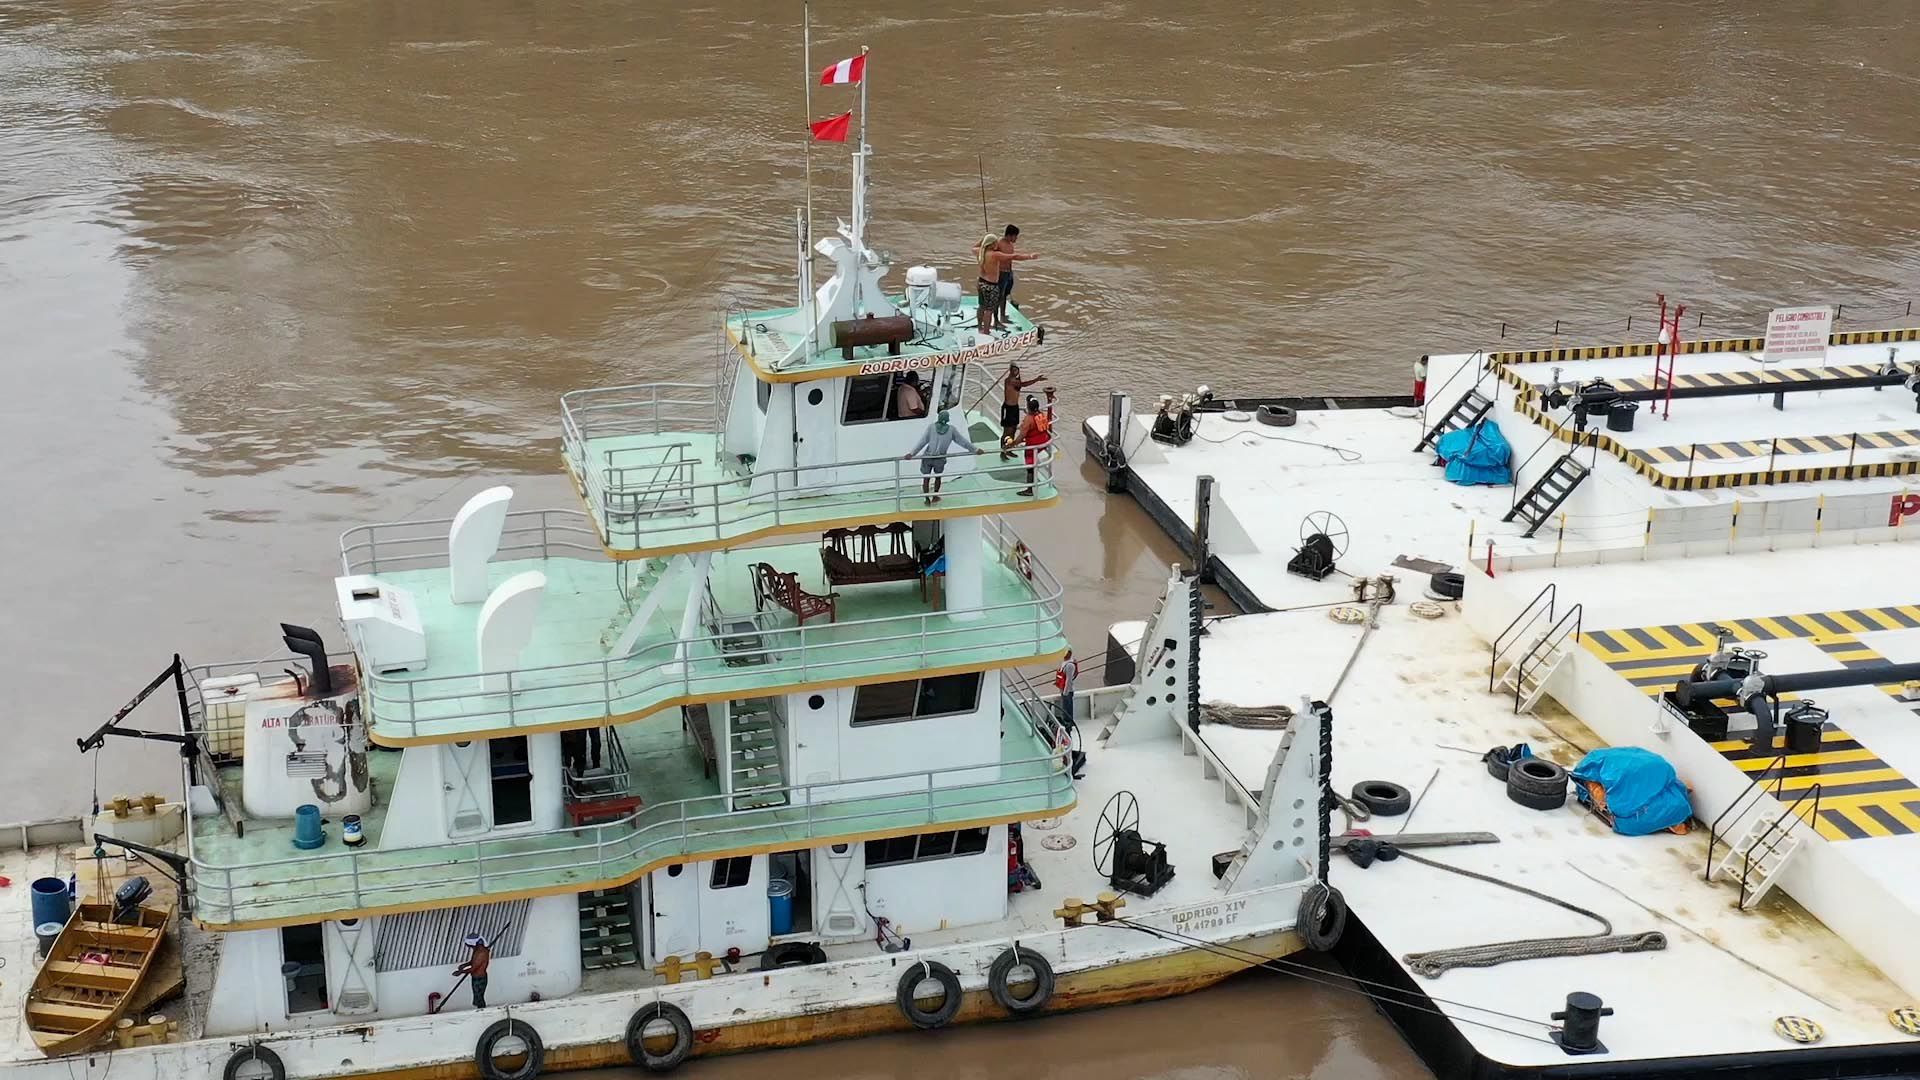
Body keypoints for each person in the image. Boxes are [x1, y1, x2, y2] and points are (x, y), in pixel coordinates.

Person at [903, 409, 977, 504]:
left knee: (926, 478)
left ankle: (926, 499)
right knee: (938, 477)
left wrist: (912, 454)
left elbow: (922, 442)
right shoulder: (951, 430)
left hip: (927, 457)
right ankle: (935, 496)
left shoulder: (931, 427)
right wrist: (975, 449)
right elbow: (962, 441)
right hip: (940, 458)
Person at [973, 233, 1038, 335]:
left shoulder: (979, 252)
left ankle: (979, 328)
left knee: (981, 306)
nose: (997, 244)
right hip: (991, 285)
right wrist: (1030, 256)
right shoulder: (995, 255)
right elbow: (1014, 256)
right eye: (995, 242)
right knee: (989, 310)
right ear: (992, 244)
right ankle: (986, 332)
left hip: (981, 282)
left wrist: (984, 238)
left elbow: (974, 247)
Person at [998, 362, 1047, 459]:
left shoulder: (1016, 380)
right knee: (1007, 431)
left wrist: (1019, 375)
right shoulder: (1009, 380)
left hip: (1015, 407)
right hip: (1008, 408)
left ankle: (1009, 449)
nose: (1015, 372)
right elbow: (1023, 384)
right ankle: (1002, 452)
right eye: (1014, 370)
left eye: (1017, 370)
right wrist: (1036, 379)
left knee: (1013, 430)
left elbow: (1019, 385)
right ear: (1010, 371)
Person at [1006, 395, 1051, 496]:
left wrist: (1012, 444)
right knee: (1034, 462)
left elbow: (1021, 436)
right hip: (1044, 441)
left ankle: (1029, 490)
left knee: (1030, 466)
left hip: (1033, 445)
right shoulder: (1042, 414)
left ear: (1028, 407)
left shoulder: (1028, 419)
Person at [455, 933, 491, 1008]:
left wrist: (460, 972)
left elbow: (473, 968)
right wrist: (464, 965)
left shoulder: (481, 953)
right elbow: (473, 962)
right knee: (477, 998)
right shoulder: (477, 950)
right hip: (475, 978)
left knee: (479, 998)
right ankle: (480, 1010)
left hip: (480, 979)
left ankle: (482, 1012)